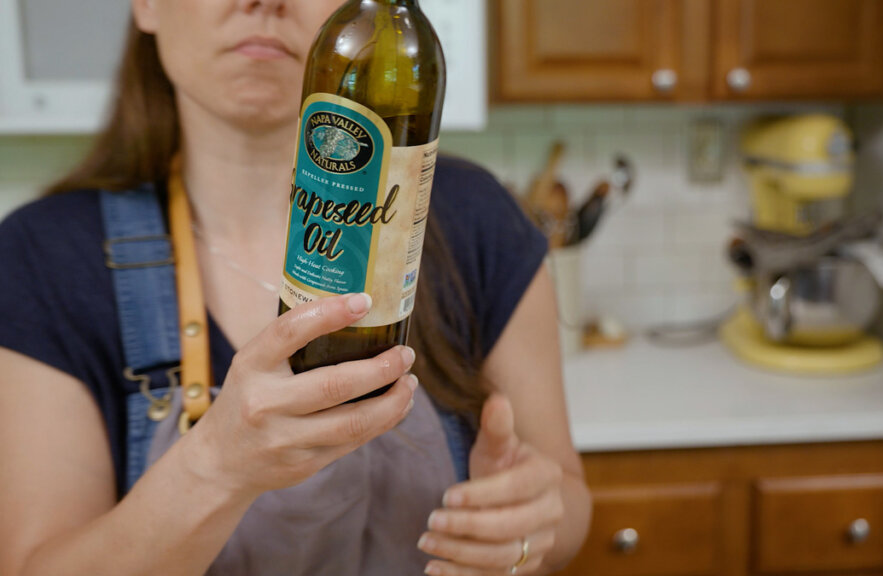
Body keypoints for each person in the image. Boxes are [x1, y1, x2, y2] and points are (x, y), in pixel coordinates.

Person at [0, 1, 591, 575]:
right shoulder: (41, 257)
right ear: (147, 5)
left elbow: (567, 505)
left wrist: (524, 530)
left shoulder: (478, 218)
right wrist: (215, 467)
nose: (266, 1)